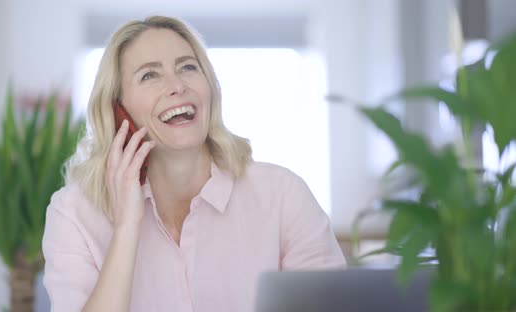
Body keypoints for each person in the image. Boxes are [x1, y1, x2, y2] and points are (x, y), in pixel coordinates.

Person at [42, 15, 346, 312]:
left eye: (188, 67)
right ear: (118, 110)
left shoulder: (282, 195)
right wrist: (125, 227)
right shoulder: (73, 215)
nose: (177, 85)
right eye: (150, 74)